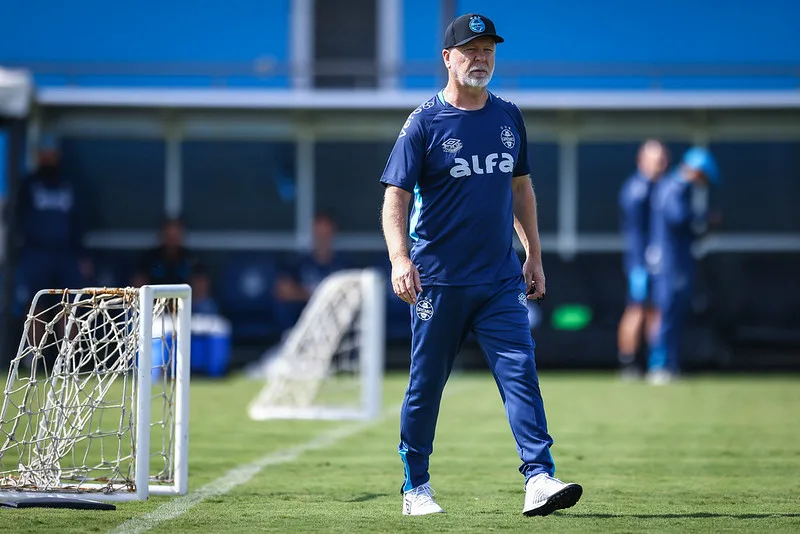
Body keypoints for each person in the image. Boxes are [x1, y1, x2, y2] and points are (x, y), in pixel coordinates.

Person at [379, 13, 582, 517]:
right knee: (426, 386)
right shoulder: (423, 122)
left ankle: (539, 477)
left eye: (488, 49)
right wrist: (400, 258)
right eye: (470, 50)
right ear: (448, 58)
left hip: (498, 280)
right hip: (437, 282)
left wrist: (533, 253)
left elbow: (520, 188)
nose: (481, 58)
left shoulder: (510, 116)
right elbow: (395, 199)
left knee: (521, 374)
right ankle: (415, 487)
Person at [646, 147, 719, 385]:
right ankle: (658, 366)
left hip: (677, 262)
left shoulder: (677, 188)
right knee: (666, 312)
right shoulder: (674, 188)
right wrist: (703, 220)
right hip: (670, 264)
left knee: (675, 314)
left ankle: (671, 364)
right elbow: (678, 219)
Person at [14, 134, 92, 306]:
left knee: (70, 304)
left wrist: (82, 255)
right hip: (36, 253)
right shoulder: (28, 184)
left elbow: (79, 221)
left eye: (51, 153)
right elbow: (17, 218)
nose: (47, 157)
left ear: (57, 155)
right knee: (35, 304)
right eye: (43, 153)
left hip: (67, 254)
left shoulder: (70, 183)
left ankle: (68, 335)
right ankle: (33, 335)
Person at [616, 140, 669, 379]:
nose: (661, 165)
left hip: (654, 262)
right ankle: (628, 363)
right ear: (642, 161)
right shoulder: (637, 189)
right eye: (656, 160)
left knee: (654, 311)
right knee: (637, 308)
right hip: (640, 262)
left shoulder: (658, 188)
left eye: (662, 160)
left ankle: (655, 363)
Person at [274, 211, 348, 326]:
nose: (322, 238)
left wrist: (305, 293)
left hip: (334, 322)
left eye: (325, 234)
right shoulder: (298, 262)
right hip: (302, 322)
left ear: (332, 233)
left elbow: (350, 296)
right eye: (319, 233)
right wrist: (315, 295)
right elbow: (282, 290)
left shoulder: (344, 265)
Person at [132, 217, 196, 287]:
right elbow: (138, 284)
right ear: (162, 236)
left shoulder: (191, 259)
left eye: (175, 237)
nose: (172, 242)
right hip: (154, 296)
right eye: (169, 237)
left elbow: (199, 288)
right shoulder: (149, 258)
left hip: (184, 297)